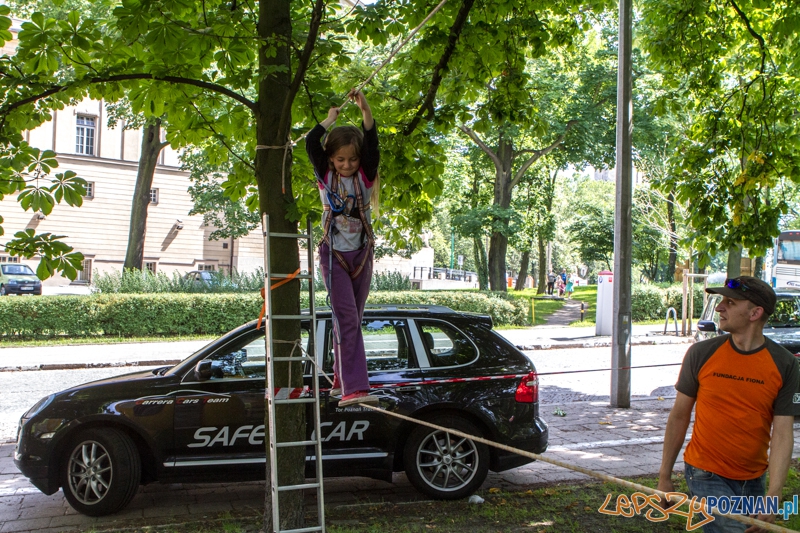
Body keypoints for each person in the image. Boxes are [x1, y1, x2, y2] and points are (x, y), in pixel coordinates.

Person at [657, 276, 799, 532]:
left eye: (730, 302)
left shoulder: (785, 364)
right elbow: (679, 416)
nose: (720, 307)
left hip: (753, 478)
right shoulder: (701, 353)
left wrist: (774, 493)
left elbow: (782, 432)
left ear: (755, 313)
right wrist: (664, 476)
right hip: (705, 472)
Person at [305, 90, 380, 407]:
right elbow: (311, 143)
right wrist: (329, 120)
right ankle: (356, 388)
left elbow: (372, 145)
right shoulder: (325, 176)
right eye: (340, 159)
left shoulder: (365, 177)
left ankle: (341, 380)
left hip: (361, 256)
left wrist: (366, 112)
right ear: (331, 160)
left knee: (351, 321)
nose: (347, 165)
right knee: (346, 320)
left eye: (352, 159)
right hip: (333, 256)